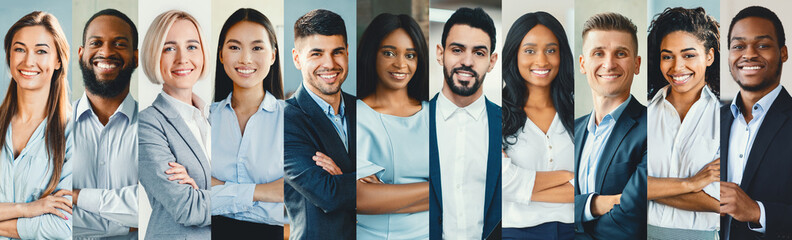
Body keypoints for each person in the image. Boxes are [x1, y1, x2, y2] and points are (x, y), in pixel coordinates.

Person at [209, 8, 285, 239]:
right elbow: (191, 191)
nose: (245, 59)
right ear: (221, 54)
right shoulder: (202, 118)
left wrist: (220, 187)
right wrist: (264, 192)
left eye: (257, 47)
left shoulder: (295, 119)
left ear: (273, 55)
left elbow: (299, 192)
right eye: (234, 47)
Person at [645, 7, 720, 240]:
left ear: (709, 56)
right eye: (667, 56)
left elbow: (719, 202)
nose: (677, 67)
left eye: (689, 55)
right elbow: (620, 183)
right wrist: (692, 183)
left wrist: (645, 190)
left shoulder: (726, 117)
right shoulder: (643, 114)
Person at [428, 7, 501, 240]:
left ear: (492, 61)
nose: (467, 62)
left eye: (479, 53)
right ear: (440, 53)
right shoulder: (413, 121)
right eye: (457, 50)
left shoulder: (511, 126)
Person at [137, 10, 212, 239]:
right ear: (154, 55)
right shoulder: (147, 124)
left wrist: (203, 194)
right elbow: (187, 208)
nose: (182, 59)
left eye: (191, 46)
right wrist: (241, 195)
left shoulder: (217, 118)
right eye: (169, 48)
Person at [355, 13, 430, 239]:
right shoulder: (354, 115)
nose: (400, 64)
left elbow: (471, 189)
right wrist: (442, 187)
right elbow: (360, 198)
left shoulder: (434, 114)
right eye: (389, 53)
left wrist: (388, 194)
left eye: (410, 55)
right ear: (371, 54)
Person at [501, 11, 574, 240]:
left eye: (551, 50)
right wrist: (569, 175)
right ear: (515, 55)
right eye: (530, 50)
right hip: (515, 231)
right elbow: (503, 184)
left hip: (574, 229)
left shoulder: (577, 111)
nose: (542, 61)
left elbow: (594, 181)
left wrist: (523, 187)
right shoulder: (495, 115)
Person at [283, 9, 356, 240]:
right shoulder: (283, 121)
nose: (330, 63)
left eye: (337, 52)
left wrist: (343, 177)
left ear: (347, 52)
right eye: (317, 54)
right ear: (297, 58)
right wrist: (367, 177)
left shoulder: (366, 109)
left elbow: (396, 175)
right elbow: (329, 194)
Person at [573, 12, 647, 239]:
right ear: (583, 64)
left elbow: (631, 219)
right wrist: (600, 203)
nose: (609, 63)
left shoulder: (653, 127)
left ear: (636, 64)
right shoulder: (570, 131)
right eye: (598, 53)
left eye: (621, 53)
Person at [721, 6, 792, 240]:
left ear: (783, 53)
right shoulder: (713, 119)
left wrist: (757, 211)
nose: (748, 54)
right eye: (738, 46)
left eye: (762, 45)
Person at [0, 11, 72, 239]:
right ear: (9, 57)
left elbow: (64, 226)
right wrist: (28, 209)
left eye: (41, 51)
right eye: (19, 49)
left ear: (58, 60)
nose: (28, 61)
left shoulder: (76, 133)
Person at [71, 8, 140, 239]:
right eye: (96, 43)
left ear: (136, 57)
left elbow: (158, 206)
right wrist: (127, 221)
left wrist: (76, 197)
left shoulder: (155, 127)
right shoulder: (51, 125)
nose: (107, 52)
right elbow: (41, 211)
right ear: (81, 53)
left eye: (119, 44)